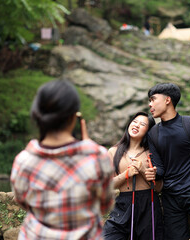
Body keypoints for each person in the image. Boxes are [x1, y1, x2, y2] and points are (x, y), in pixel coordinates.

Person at [10, 79, 114, 240]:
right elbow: (105, 204)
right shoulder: (97, 157)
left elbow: (22, 201)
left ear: (37, 115)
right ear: (74, 118)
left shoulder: (23, 161)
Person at [145, 83, 190, 240]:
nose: (150, 104)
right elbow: (161, 169)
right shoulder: (153, 133)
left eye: (153, 99)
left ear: (167, 100)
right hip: (170, 197)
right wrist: (153, 172)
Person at [103, 112, 164, 240]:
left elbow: (158, 188)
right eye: (134, 121)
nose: (136, 125)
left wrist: (142, 170)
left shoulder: (152, 153)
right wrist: (126, 174)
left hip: (148, 204)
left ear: (149, 130)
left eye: (142, 124)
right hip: (124, 204)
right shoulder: (114, 152)